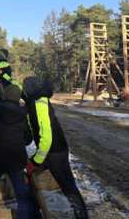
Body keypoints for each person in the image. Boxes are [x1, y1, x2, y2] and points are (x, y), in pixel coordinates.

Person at [23, 76, 89, 219]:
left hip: (55, 152)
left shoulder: (39, 104)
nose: (23, 91)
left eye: (24, 89)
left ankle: (82, 215)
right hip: (50, 152)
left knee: (68, 187)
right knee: (28, 176)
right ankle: (35, 211)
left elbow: (46, 137)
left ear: (30, 90)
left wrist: (35, 161)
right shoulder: (36, 100)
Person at [0, 70, 39, 219]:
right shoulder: (22, 115)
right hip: (16, 157)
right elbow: (28, 139)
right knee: (21, 191)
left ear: (5, 95)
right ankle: (24, 215)